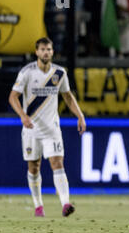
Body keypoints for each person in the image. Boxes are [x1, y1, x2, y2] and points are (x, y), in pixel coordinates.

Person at [8, 37, 86, 217]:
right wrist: (23, 116)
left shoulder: (59, 73)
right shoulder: (27, 72)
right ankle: (38, 206)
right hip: (31, 129)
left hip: (52, 129)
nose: (46, 52)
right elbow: (13, 97)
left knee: (57, 163)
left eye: (49, 49)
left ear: (52, 52)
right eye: (42, 49)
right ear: (36, 52)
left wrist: (80, 116)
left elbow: (67, 96)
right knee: (33, 167)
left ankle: (66, 203)